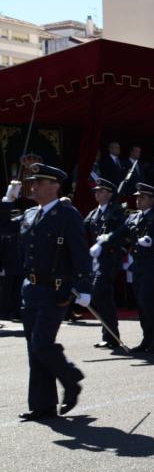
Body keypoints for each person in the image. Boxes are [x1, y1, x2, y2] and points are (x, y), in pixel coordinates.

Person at [2, 165, 92, 421]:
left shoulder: (67, 215)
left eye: (39, 182)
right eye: (31, 183)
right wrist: (7, 201)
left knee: (42, 344)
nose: (33, 187)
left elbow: (80, 253)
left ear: (54, 186)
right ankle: (43, 406)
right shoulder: (31, 214)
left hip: (56, 290)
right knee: (34, 349)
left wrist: (84, 286)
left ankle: (71, 379)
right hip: (30, 290)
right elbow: (5, 228)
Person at [95, 182, 154, 353]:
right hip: (137, 265)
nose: (138, 200)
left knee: (146, 299)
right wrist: (106, 239)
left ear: (153, 200)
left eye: (143, 197)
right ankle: (147, 337)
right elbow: (121, 233)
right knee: (141, 303)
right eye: (137, 197)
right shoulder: (133, 217)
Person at [84, 178, 126, 349]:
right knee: (104, 297)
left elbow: (123, 231)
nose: (97, 193)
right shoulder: (94, 213)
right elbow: (81, 226)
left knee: (99, 292)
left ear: (110, 194)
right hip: (96, 261)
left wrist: (107, 239)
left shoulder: (117, 211)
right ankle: (110, 336)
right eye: (96, 191)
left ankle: (111, 335)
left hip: (110, 259)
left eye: (101, 191)